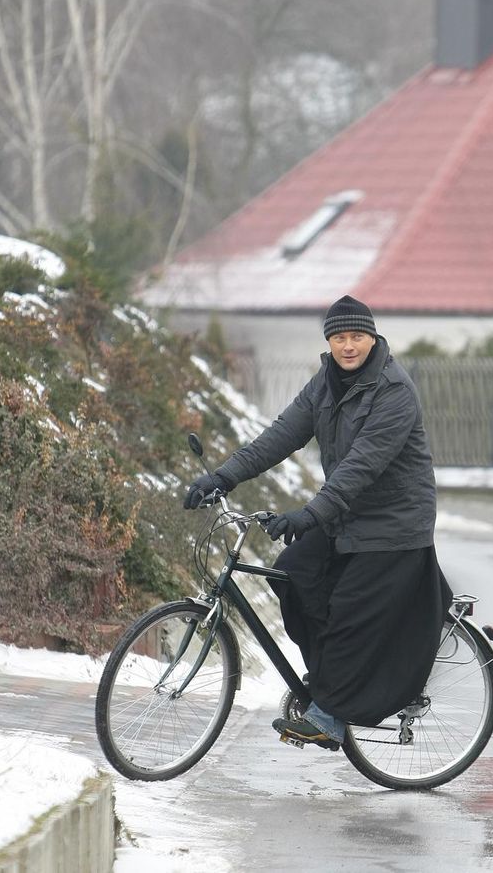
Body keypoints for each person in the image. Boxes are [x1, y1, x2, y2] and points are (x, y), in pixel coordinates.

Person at [184, 294, 453, 750]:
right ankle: (332, 683)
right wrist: (222, 477)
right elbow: (280, 436)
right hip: (347, 517)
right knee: (293, 574)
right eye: (339, 337)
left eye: (357, 336)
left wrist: (309, 515)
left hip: (393, 524)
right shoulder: (325, 385)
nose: (348, 346)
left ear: (372, 338)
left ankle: (331, 714)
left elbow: (360, 468)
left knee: (350, 609)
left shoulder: (394, 391)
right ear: (329, 341)